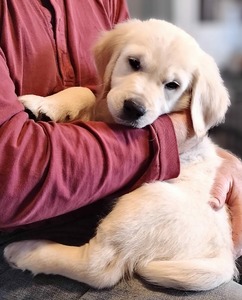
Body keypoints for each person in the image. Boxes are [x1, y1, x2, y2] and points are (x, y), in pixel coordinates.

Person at [0, 1, 241, 299]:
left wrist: (223, 158)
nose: (138, 99)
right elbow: (9, 175)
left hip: (170, 227)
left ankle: (99, 261)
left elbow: (101, 99)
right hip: (29, 225)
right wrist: (170, 136)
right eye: (135, 64)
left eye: (171, 85)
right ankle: (97, 262)